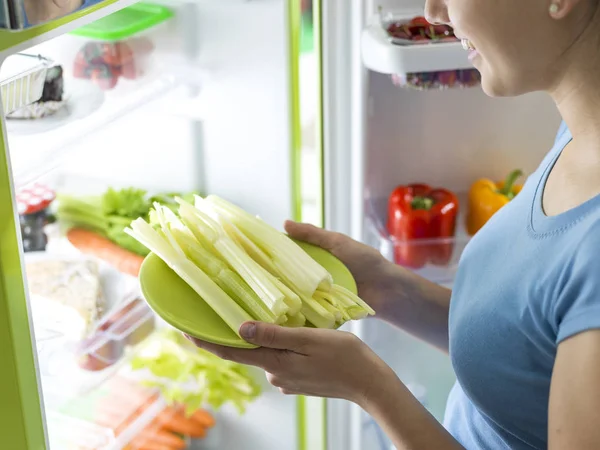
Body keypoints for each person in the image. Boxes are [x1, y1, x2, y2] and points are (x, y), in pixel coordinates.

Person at [188, 0, 600, 448]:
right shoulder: (579, 133)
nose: (434, 11)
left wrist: (369, 387)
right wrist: (389, 289)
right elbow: (525, 350)